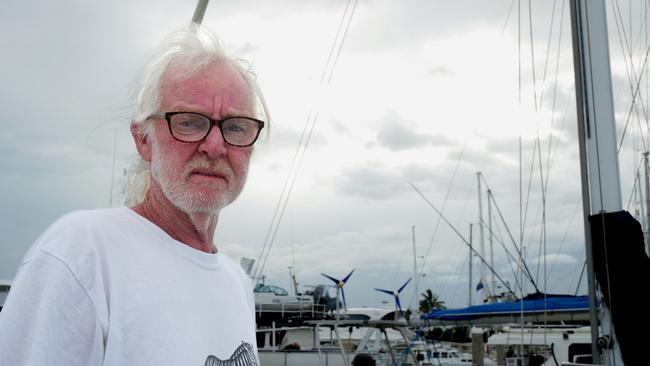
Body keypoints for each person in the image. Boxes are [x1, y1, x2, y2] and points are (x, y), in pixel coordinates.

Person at [0, 24, 268, 366]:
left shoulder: (237, 284)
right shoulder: (83, 254)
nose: (215, 146)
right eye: (188, 122)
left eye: (235, 127)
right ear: (143, 139)